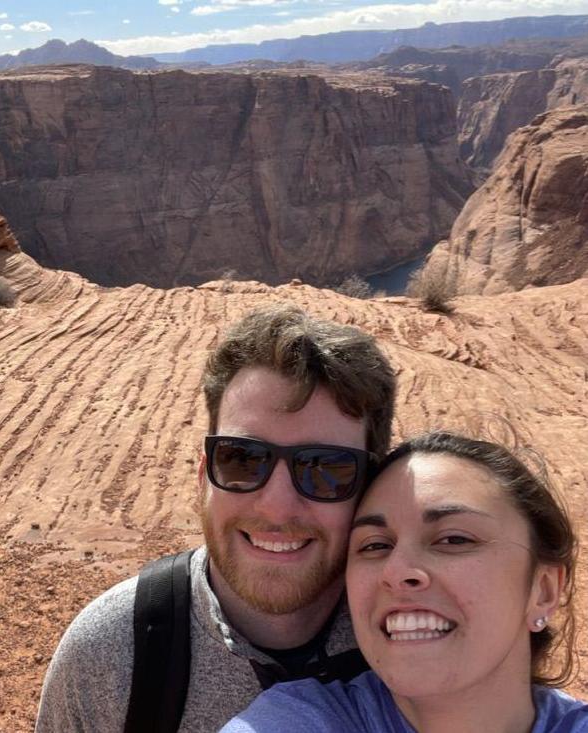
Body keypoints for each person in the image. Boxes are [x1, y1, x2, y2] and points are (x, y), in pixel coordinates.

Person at [35, 304, 397, 733]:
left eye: (326, 468)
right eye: (242, 459)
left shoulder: (415, 633)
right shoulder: (111, 654)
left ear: (372, 485)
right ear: (205, 473)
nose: (276, 507)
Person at [222, 431, 587, 733]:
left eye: (454, 539)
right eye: (375, 546)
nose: (396, 572)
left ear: (543, 590)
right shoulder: (295, 722)